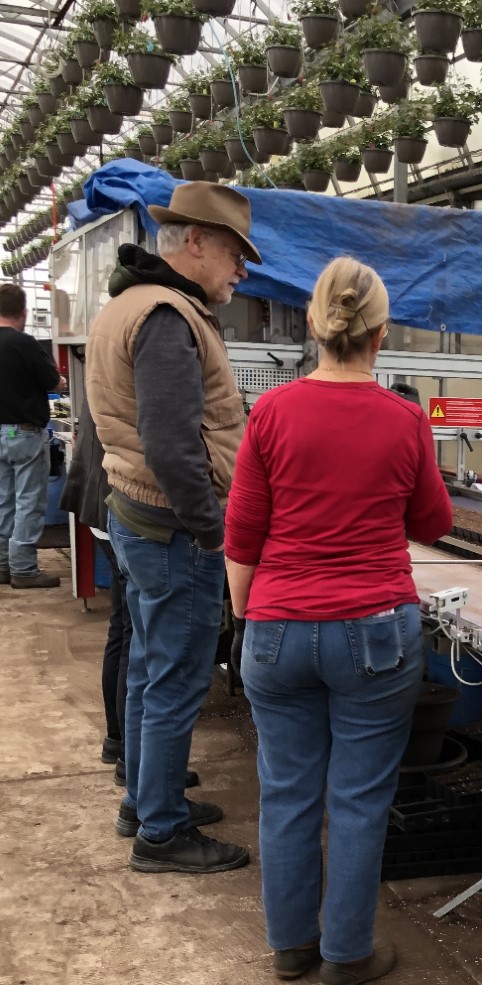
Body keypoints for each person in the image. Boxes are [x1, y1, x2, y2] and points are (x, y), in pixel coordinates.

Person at [225, 256, 454, 985]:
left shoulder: (272, 413)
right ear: (380, 335)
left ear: (314, 327)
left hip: (277, 626)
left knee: (287, 792)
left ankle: (291, 946)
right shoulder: (403, 418)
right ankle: (346, 954)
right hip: (375, 631)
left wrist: (247, 619)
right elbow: (434, 521)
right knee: (358, 798)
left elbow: (243, 533)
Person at [86, 182, 261, 874]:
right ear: (195, 243)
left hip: (138, 514)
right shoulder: (166, 317)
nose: (241, 271)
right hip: (171, 526)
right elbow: (171, 443)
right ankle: (161, 832)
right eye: (234, 254)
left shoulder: (131, 305)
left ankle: (145, 799)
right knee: (176, 676)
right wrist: (215, 531)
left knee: (148, 667)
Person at [59, 397, 202, 790]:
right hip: (122, 506)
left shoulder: (112, 354)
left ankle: (121, 746)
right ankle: (132, 758)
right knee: (136, 644)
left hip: (104, 500)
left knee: (126, 633)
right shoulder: (141, 357)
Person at [0, 283, 67, 588]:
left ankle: (2, 565)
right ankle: (23, 569)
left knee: (3, 501)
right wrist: (62, 380)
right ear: (23, 312)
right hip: (24, 434)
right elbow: (54, 383)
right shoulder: (25, 344)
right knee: (28, 502)